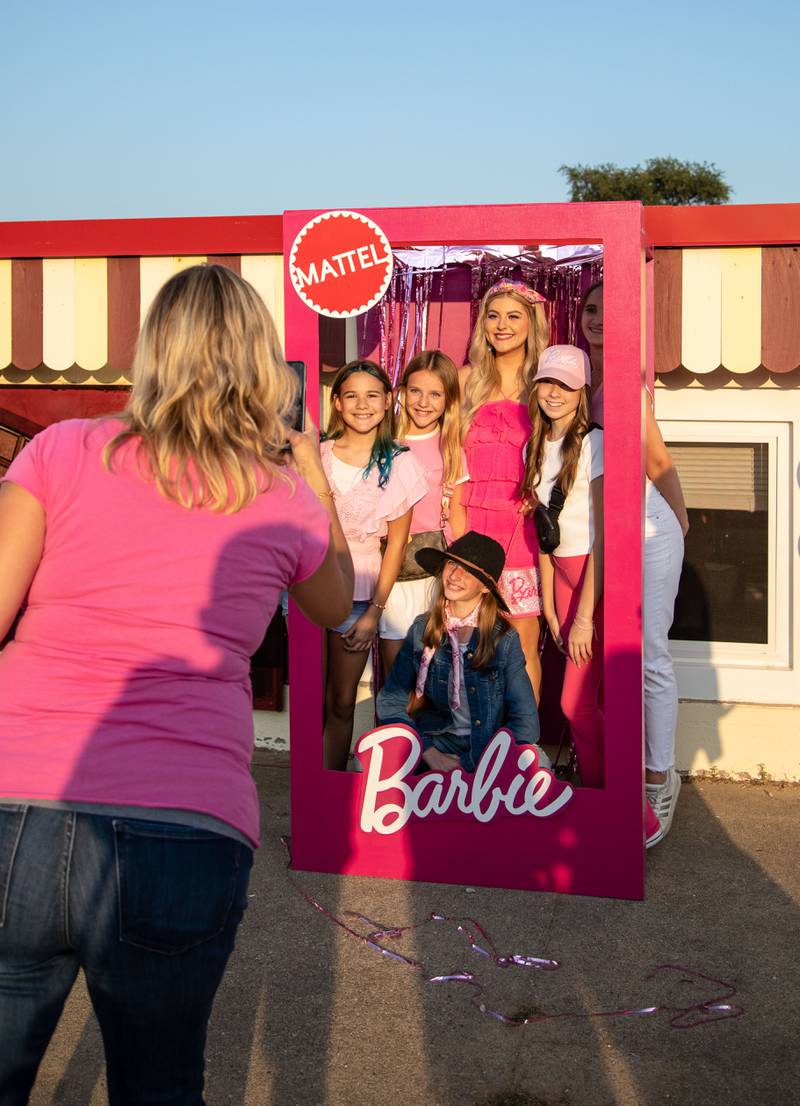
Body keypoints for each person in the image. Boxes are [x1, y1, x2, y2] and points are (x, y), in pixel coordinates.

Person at [0, 263, 353, 1104]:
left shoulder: (59, 450)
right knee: (158, 1083)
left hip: (17, 794)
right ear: (261, 364)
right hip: (185, 822)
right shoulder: (279, 497)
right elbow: (337, 604)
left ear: (152, 350)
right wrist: (310, 472)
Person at [580, 281, 688, 843]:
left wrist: (679, 522)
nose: (598, 319)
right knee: (612, 657)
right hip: (602, 534)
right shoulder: (574, 379)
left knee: (649, 654)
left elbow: (657, 459)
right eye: (590, 309)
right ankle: (617, 777)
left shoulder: (624, 380)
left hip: (646, 529)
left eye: (606, 309)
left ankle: (658, 780)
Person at [321, 359, 427, 771]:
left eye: (371, 396)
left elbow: (397, 544)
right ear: (337, 403)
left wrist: (374, 613)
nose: (361, 405)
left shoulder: (399, 462)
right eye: (351, 396)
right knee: (313, 697)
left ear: (387, 403)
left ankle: (331, 786)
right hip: (310, 584)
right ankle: (313, 795)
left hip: (359, 595)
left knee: (342, 698)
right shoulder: (319, 454)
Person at [376, 532, 546, 774]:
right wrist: (429, 753)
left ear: (486, 587)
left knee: (540, 768)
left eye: (469, 571)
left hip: (490, 747)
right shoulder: (422, 629)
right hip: (436, 743)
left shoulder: (503, 640)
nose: (455, 576)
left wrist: (479, 765)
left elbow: (525, 721)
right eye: (452, 564)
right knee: (375, 762)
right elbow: (390, 702)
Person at [457, 279, 550, 700]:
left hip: (522, 533)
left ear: (532, 323)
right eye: (493, 316)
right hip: (468, 526)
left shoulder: (546, 385)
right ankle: (476, 746)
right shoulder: (464, 381)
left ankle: (523, 749)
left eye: (514, 316)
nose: (502, 325)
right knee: (469, 642)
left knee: (522, 643)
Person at [522, 345, 606, 790]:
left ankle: (630, 809)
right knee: (580, 704)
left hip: (593, 579)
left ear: (582, 391)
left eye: (567, 385)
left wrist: (585, 618)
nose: (555, 393)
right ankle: (597, 797)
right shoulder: (532, 446)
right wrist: (552, 610)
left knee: (577, 705)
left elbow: (604, 537)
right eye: (548, 382)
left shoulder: (595, 442)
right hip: (560, 579)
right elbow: (543, 530)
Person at [380, 350, 469, 671]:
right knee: (396, 673)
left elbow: (457, 517)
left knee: (433, 672)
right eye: (415, 391)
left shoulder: (451, 447)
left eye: (435, 394)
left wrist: (460, 575)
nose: (423, 402)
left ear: (448, 400)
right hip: (392, 569)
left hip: (434, 570)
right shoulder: (385, 442)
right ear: (401, 392)